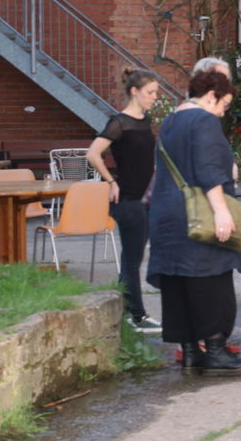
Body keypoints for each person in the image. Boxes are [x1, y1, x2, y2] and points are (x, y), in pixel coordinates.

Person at [147, 70, 241, 374]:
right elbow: (207, 169)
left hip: (168, 214)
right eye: (224, 105)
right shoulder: (203, 120)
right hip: (198, 212)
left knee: (180, 283)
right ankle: (217, 351)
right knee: (212, 281)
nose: (223, 112)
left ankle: (191, 350)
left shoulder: (170, 120)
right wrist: (221, 211)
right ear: (211, 95)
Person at [86, 68, 160, 333]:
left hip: (145, 198)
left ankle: (125, 312)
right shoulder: (119, 122)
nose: (154, 97)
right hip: (128, 199)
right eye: (151, 92)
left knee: (133, 257)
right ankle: (137, 316)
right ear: (134, 92)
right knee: (131, 259)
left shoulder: (144, 120)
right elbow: (93, 154)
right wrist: (110, 181)